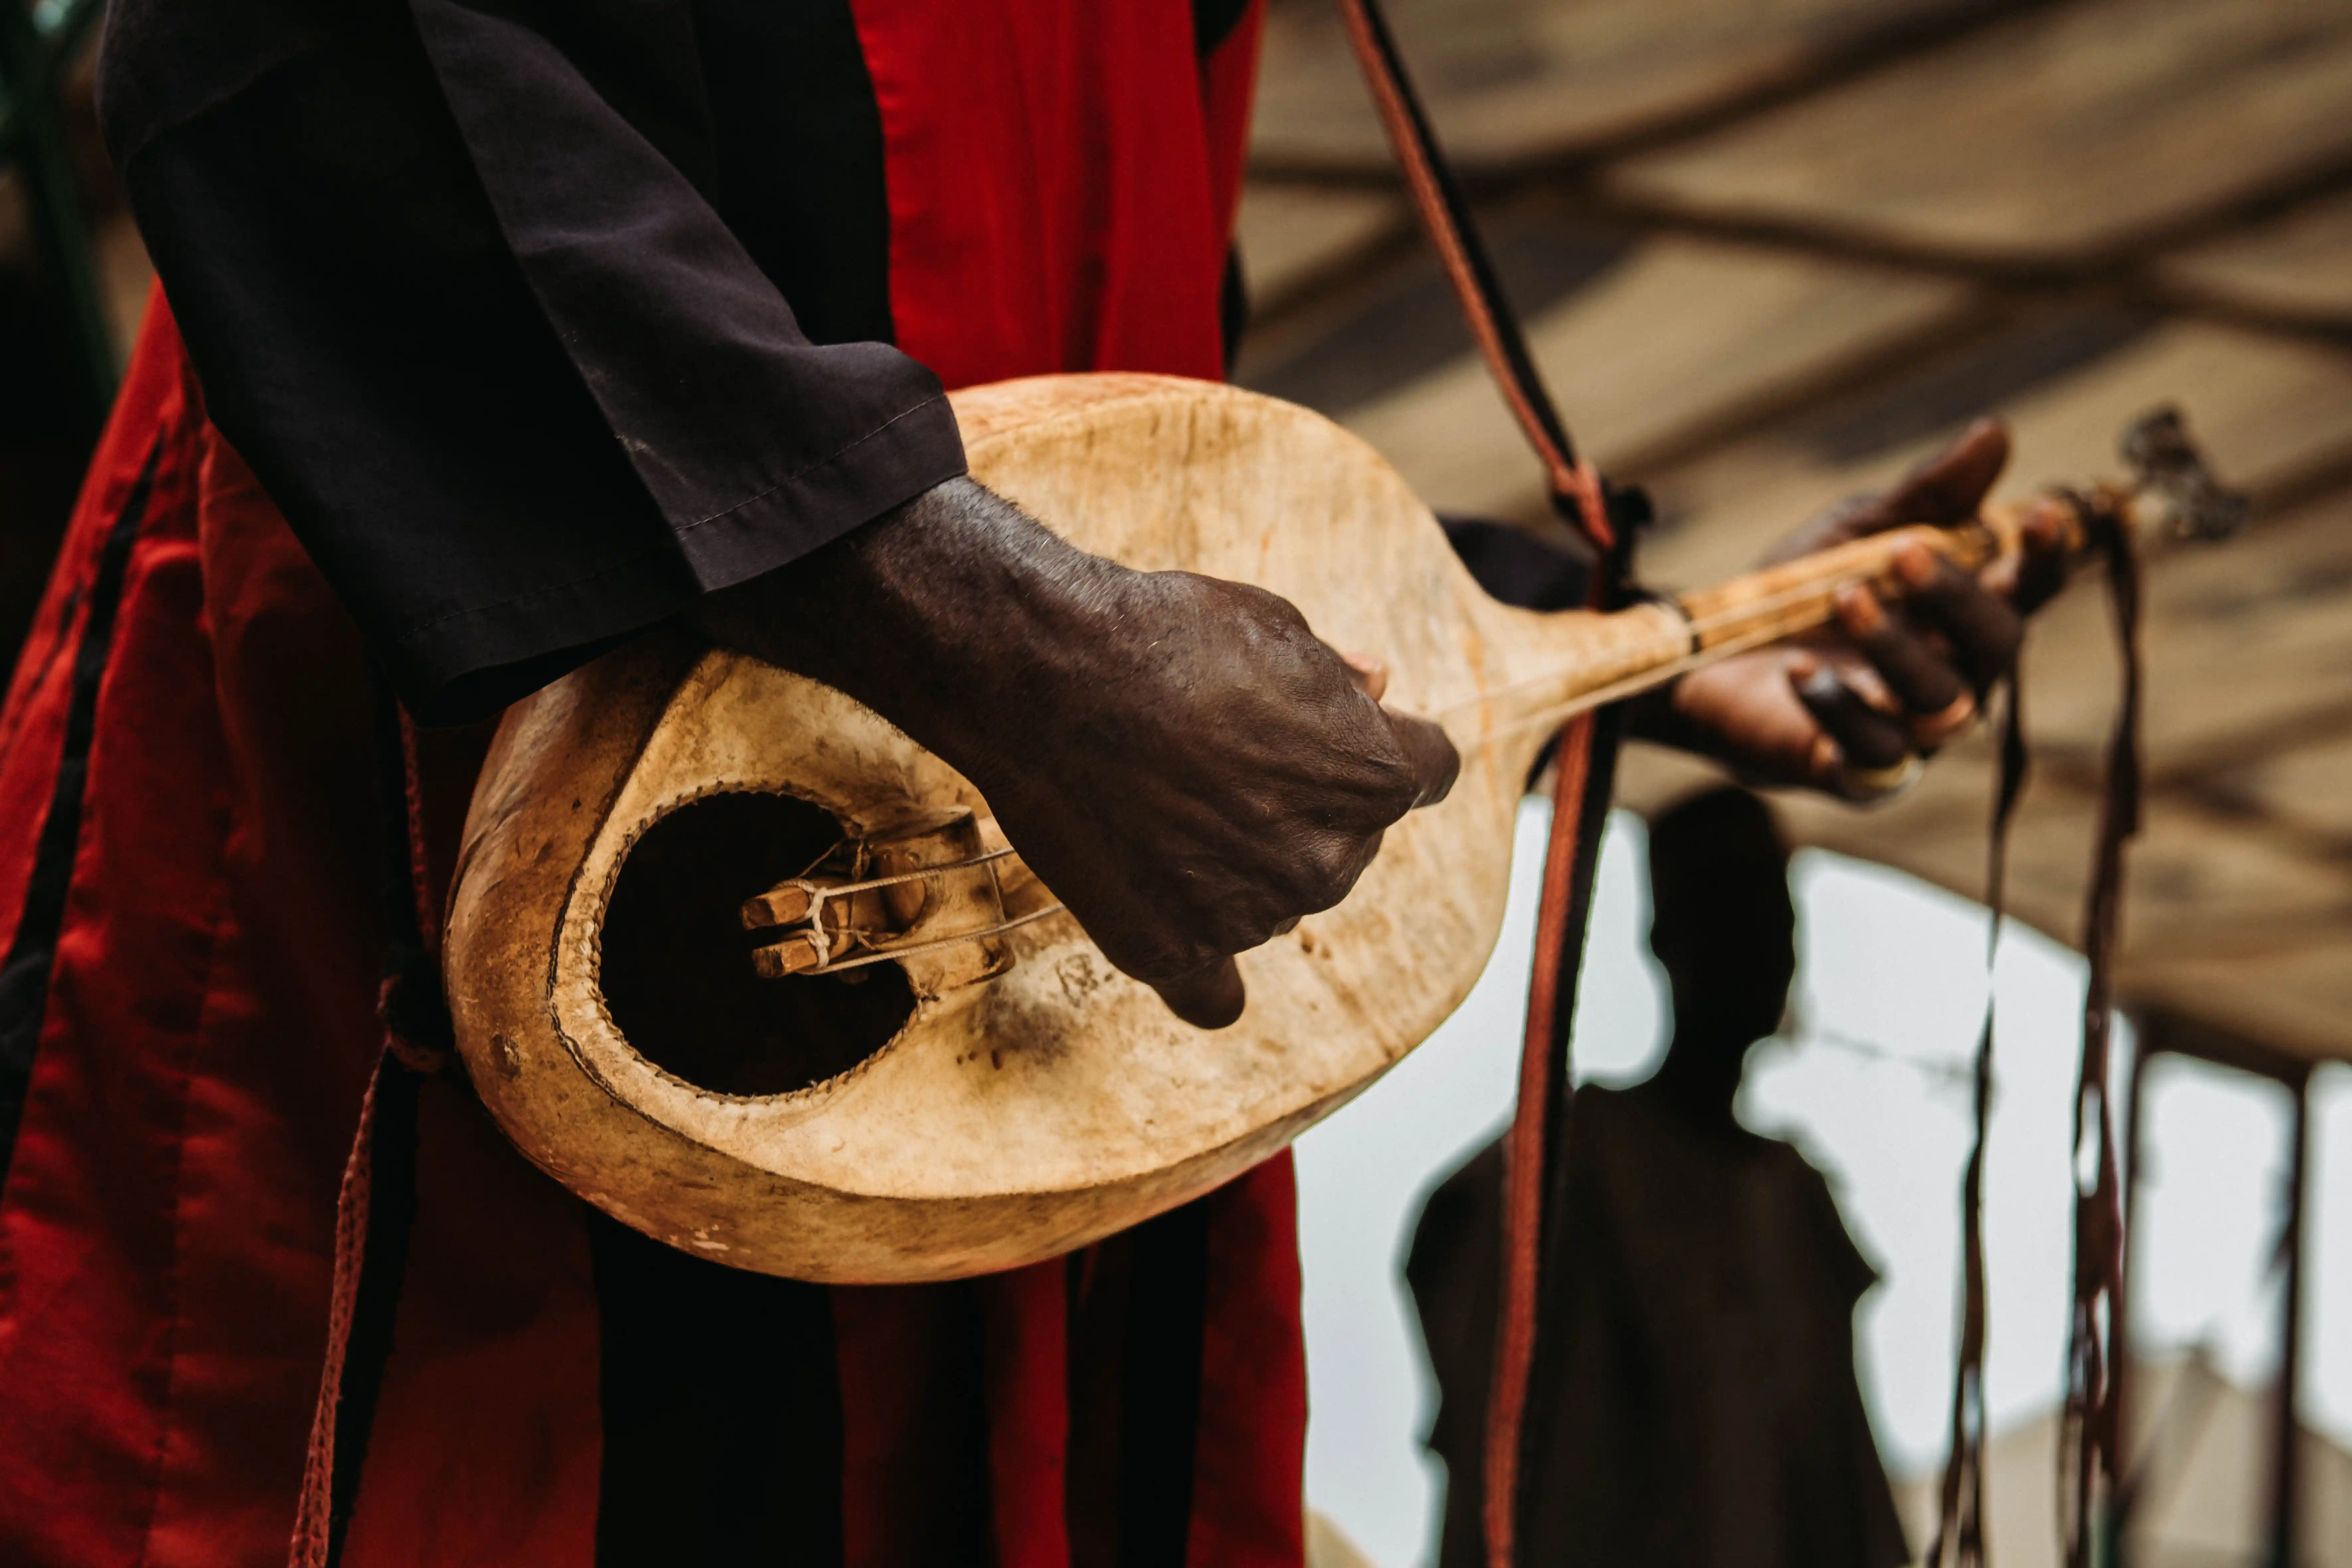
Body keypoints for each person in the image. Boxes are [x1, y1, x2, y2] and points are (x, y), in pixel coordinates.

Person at [0, 2, 2051, 1562]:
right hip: (481, 928)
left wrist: (1639, 638)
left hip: (1003, 1076)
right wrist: (988, 638)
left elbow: (1119, 435)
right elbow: (298, 47)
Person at [1409, 786, 1912, 1568]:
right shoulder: (1572, 1164)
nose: (1766, 953)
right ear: (1665, 936)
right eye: (1731, 916)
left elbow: (1840, 1476)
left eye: (1778, 924)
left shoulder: (1795, 1200)